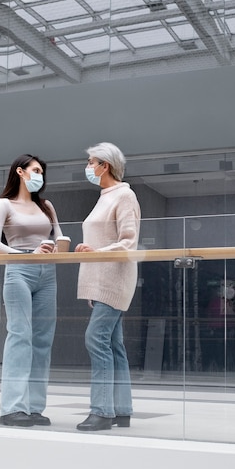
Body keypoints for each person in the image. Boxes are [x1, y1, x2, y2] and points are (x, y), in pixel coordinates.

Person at [0, 153, 62, 428]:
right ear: (20, 172)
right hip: (19, 268)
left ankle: (33, 408)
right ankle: (12, 408)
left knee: (43, 340)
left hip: (47, 272)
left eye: (42, 172)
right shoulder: (4, 204)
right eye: (36, 170)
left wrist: (54, 247)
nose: (40, 175)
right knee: (20, 335)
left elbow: (59, 238)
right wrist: (24, 253)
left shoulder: (47, 206)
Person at [75, 142, 141, 432]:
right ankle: (121, 410)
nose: (88, 167)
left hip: (115, 278)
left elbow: (129, 241)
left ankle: (102, 411)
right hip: (102, 280)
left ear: (106, 165)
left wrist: (96, 252)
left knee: (96, 340)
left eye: (92, 162)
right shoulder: (105, 197)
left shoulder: (124, 196)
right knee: (113, 345)